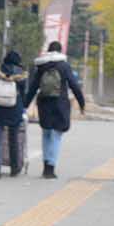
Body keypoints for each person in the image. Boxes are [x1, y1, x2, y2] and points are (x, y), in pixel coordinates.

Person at [24, 40, 86, 179]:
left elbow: (33, 87)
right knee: (56, 136)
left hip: (44, 104)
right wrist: (82, 104)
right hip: (60, 104)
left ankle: (45, 165)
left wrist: (25, 105)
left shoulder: (41, 66)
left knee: (46, 133)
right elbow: (74, 85)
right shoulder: (64, 66)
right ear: (60, 51)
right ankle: (51, 167)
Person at [0, 50, 27, 178]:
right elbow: (23, 92)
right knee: (13, 138)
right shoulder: (20, 73)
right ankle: (14, 168)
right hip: (14, 109)